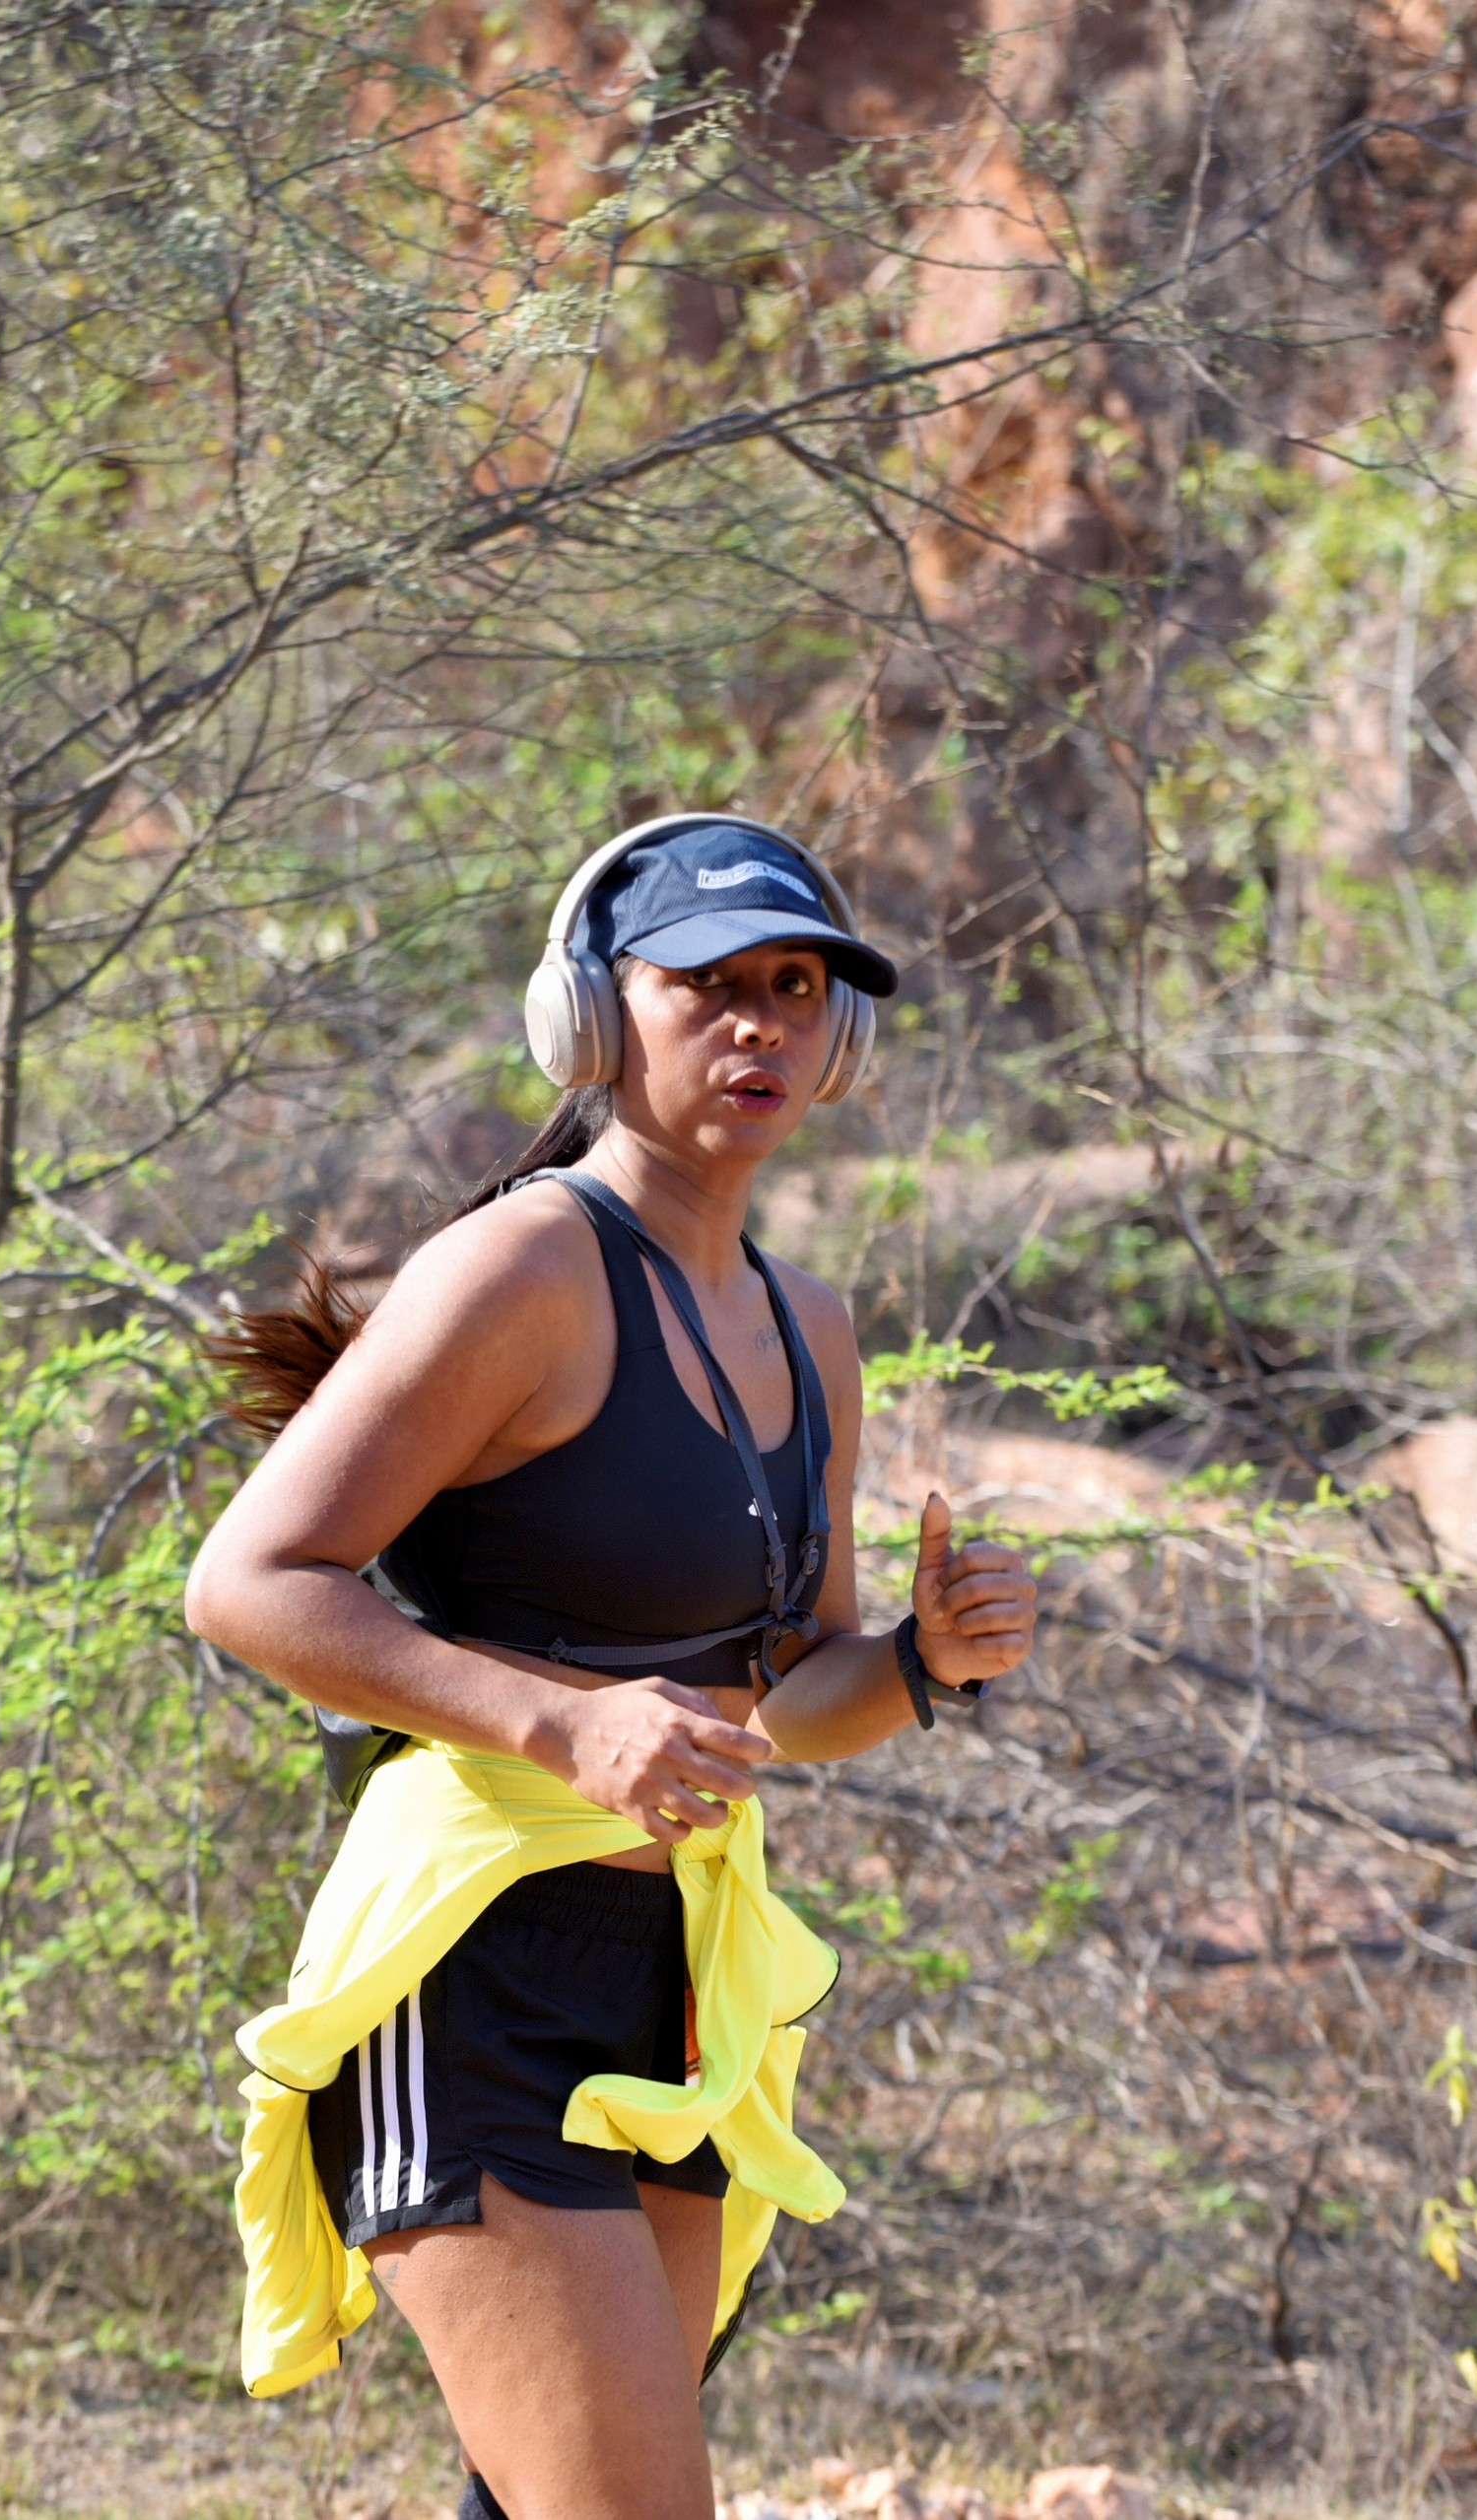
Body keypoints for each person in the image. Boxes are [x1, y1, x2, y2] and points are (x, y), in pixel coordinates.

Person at [184, 812, 1042, 2520]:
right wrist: (559, 1723)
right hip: (477, 1961)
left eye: (793, 988)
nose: (758, 1024)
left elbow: (789, 1693)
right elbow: (248, 1583)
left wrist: (921, 1663)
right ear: (590, 1016)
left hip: (676, 1979)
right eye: (705, 985)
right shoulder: (524, 1268)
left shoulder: (811, 1325)